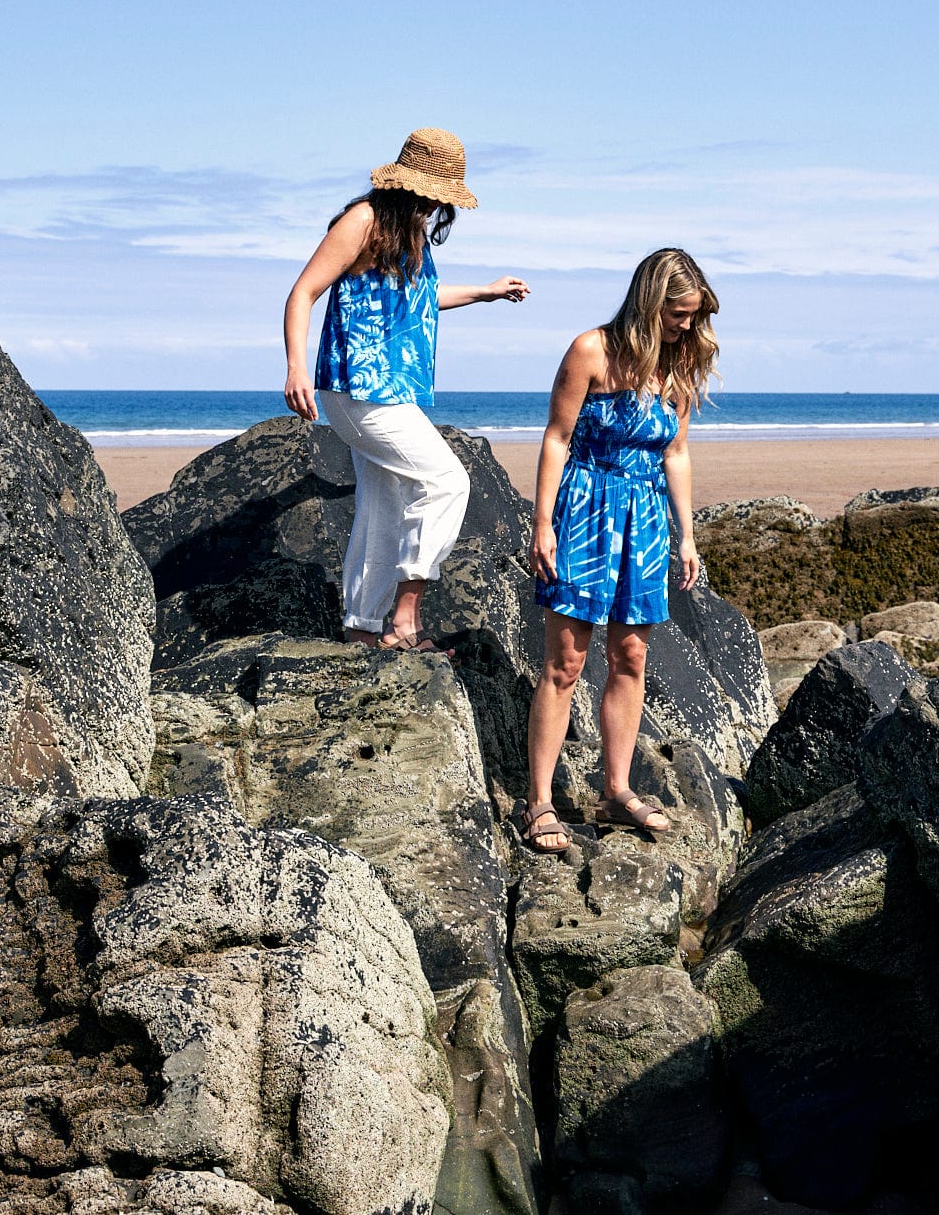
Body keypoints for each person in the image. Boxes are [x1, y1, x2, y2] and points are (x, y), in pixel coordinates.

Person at [284, 127, 529, 651]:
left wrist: (485, 292)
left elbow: (420, 298)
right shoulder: (363, 221)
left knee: (383, 506)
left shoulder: (410, 231)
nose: (440, 204)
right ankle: (406, 618)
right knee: (446, 482)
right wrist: (295, 368)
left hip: (393, 389)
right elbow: (304, 291)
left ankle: (360, 628)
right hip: (354, 388)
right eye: (437, 192)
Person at [523, 249, 719, 852]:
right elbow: (556, 438)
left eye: (693, 314)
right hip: (584, 508)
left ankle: (615, 790)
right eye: (678, 313)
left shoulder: (681, 363)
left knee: (631, 656)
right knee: (567, 663)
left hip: (646, 517)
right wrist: (543, 523)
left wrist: (686, 535)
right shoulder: (591, 351)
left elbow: (675, 453)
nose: (686, 325)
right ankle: (539, 802)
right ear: (649, 300)